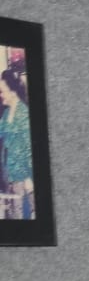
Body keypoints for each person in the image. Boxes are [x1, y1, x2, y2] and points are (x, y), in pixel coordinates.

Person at [0, 64, 34, 219]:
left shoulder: (24, 114)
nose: (1, 95)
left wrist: (30, 178)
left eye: (2, 91)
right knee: (15, 216)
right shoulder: (7, 113)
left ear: (13, 92)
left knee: (27, 216)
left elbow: (30, 148)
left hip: (24, 178)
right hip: (11, 176)